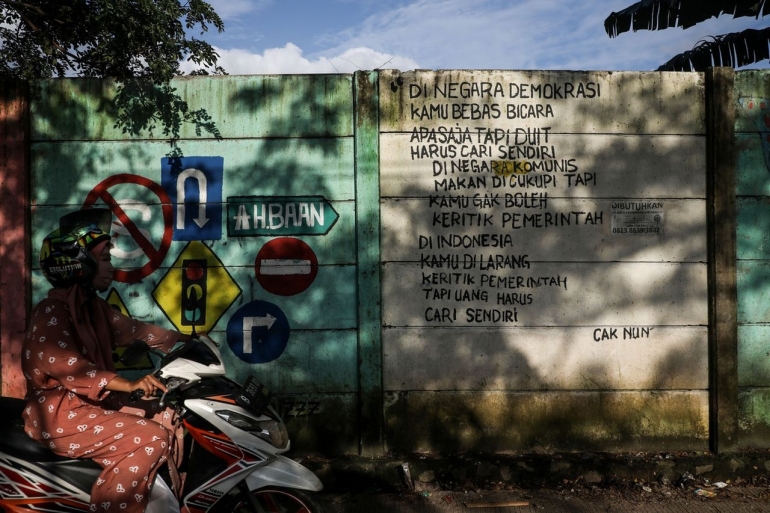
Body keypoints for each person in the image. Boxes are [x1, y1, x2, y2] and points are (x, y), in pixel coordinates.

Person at [21, 208, 194, 513]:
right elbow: (68, 366)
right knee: (150, 438)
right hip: (60, 415)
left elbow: (134, 331)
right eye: (104, 260)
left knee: (171, 414)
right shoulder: (51, 312)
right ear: (79, 265)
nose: (112, 268)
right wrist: (128, 383)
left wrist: (187, 341)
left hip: (95, 406)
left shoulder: (94, 308)